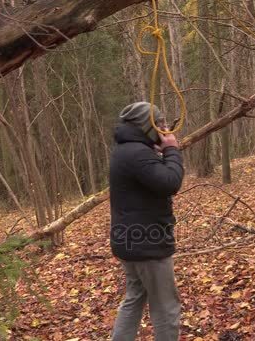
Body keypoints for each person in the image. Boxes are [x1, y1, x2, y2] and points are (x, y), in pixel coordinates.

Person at [109, 102, 184, 341]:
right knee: (166, 307)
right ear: (145, 125)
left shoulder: (127, 151)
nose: (164, 128)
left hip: (130, 242)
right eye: (158, 123)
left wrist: (160, 152)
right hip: (147, 245)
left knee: (135, 297)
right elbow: (170, 182)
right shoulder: (137, 153)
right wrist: (172, 150)